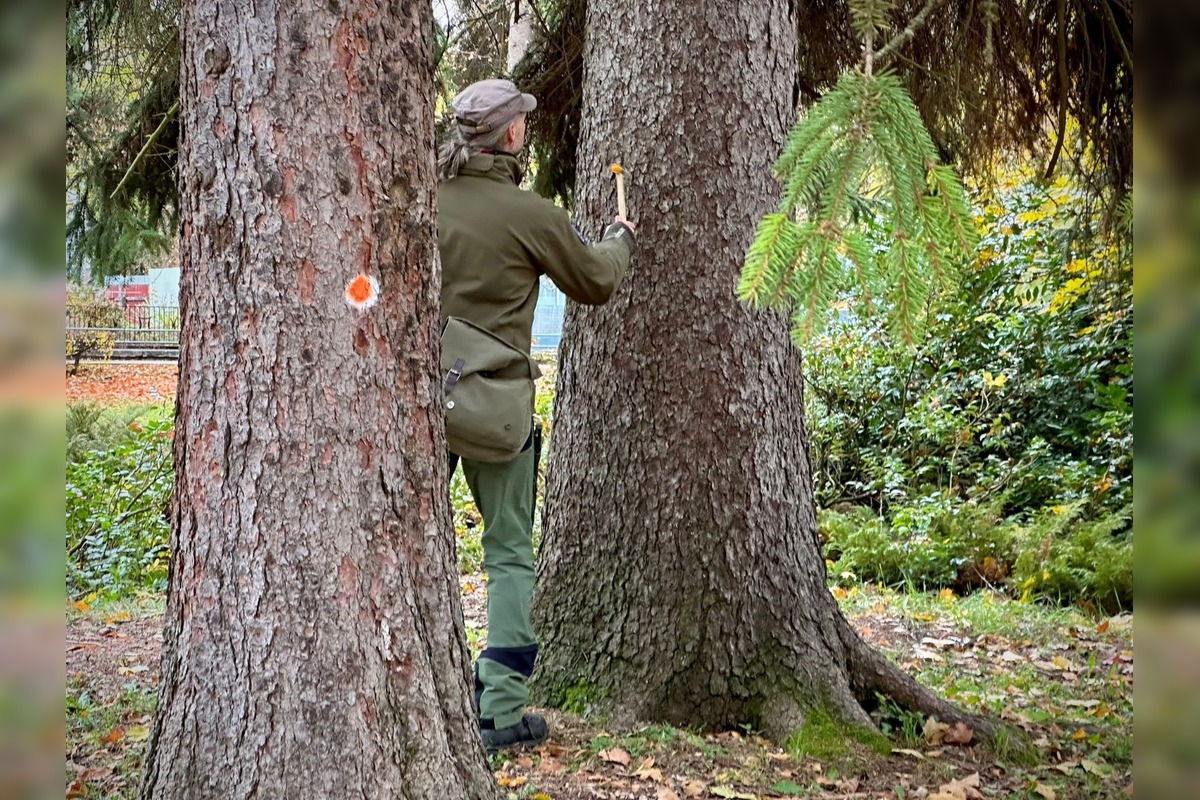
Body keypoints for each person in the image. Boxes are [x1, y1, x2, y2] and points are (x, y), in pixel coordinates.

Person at [437, 78, 636, 751]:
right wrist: (620, 236)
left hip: (418, 406)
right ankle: (499, 711)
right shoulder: (531, 214)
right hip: (494, 411)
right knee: (510, 556)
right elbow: (598, 279)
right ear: (512, 136)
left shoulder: (415, 201)